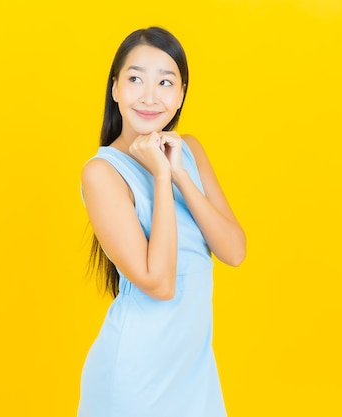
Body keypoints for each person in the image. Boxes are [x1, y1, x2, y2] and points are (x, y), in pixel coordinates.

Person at [78, 27, 246, 417]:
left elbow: (234, 251)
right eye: (135, 78)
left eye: (165, 82)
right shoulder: (102, 173)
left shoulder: (189, 151)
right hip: (137, 375)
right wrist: (159, 175)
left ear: (182, 93)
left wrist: (180, 175)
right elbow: (160, 282)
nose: (150, 96)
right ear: (115, 88)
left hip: (193, 372)